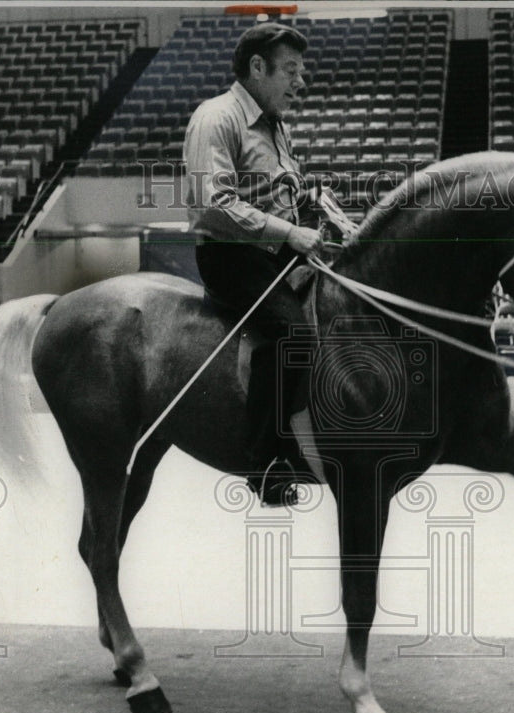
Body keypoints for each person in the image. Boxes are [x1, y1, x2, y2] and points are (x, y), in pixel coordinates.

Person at [184, 22, 323, 506]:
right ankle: (265, 464)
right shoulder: (216, 118)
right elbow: (212, 204)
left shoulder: (275, 124)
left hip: (275, 254)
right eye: (290, 70)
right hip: (231, 256)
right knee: (292, 334)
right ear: (257, 67)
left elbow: (287, 193)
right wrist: (289, 232)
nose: (299, 82)